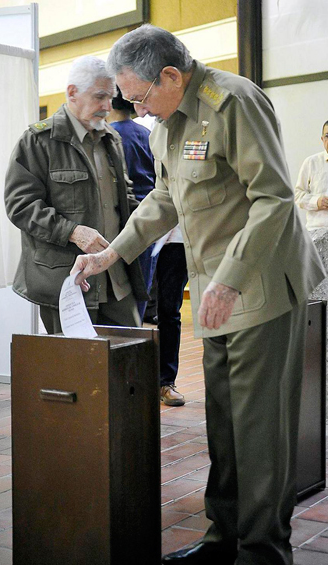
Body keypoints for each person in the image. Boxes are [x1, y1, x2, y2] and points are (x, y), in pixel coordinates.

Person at [71, 25, 325, 565]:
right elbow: (165, 197)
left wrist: (230, 281)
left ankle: (266, 560)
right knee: (226, 424)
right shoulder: (168, 124)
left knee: (260, 427)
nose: (132, 109)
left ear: (170, 76)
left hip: (257, 285)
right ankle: (225, 535)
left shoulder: (232, 101)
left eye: (137, 97)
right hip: (216, 289)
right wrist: (115, 250)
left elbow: (274, 199)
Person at [5, 56, 146, 333]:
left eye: (111, 97)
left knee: (129, 362)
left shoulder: (111, 139)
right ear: (72, 93)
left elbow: (124, 199)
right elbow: (20, 205)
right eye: (100, 96)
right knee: (75, 369)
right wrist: (72, 231)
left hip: (117, 278)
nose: (108, 106)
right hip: (68, 282)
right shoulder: (38, 141)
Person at [111, 103, 188, 406]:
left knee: (166, 309)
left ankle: (164, 382)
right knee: (137, 310)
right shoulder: (138, 135)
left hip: (175, 236)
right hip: (138, 235)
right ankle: (134, 382)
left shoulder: (177, 132)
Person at [108, 88, 157, 322]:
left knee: (119, 286)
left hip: (121, 219)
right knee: (142, 283)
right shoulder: (147, 134)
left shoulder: (109, 136)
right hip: (151, 216)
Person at [295, 118, 328, 230]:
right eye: (327, 136)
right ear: (322, 139)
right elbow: (298, 196)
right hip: (318, 232)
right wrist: (316, 202)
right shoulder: (311, 163)